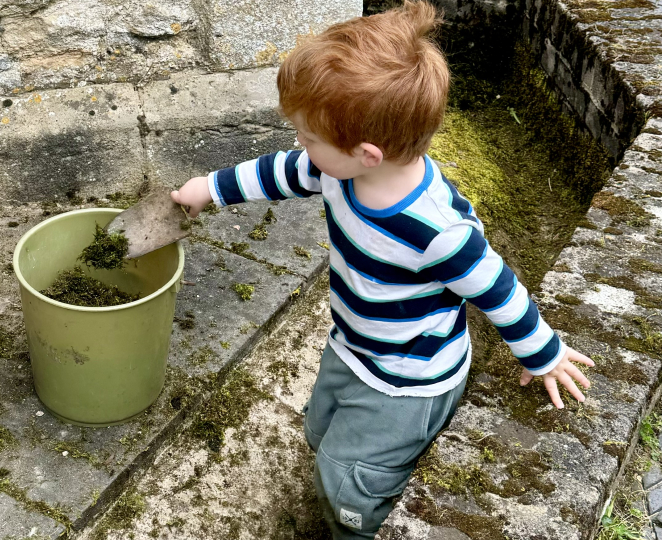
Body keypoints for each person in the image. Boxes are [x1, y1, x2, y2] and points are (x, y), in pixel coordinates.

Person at [170, 2, 594, 537]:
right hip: (354, 343)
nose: (300, 145)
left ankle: (361, 524)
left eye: (308, 137)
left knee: (350, 477)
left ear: (367, 153)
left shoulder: (437, 233)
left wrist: (546, 355)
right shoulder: (336, 169)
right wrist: (208, 189)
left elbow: (500, 292)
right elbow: (281, 171)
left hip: (409, 381)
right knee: (320, 430)